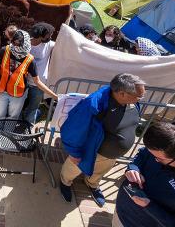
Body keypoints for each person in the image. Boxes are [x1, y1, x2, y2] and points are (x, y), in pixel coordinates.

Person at [59, 73, 144, 206]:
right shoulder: (93, 104)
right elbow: (73, 130)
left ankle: (92, 183)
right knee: (74, 168)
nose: (140, 99)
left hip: (112, 154)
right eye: (138, 96)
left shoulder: (132, 102)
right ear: (122, 93)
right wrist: (74, 153)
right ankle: (65, 182)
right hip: (92, 151)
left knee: (99, 171)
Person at [0, 30, 57, 125]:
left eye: (19, 45)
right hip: (2, 91)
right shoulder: (4, 50)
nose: (16, 47)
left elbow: (37, 81)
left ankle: (7, 136)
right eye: (14, 43)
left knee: (12, 118)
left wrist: (54, 96)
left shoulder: (30, 59)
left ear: (25, 43)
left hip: (18, 95)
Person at [24, 22, 56, 124]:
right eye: (49, 34)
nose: (50, 37)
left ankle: (28, 126)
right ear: (41, 35)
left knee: (33, 107)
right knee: (19, 106)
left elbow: (64, 41)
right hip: (22, 82)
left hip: (39, 85)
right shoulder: (26, 44)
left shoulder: (49, 45)